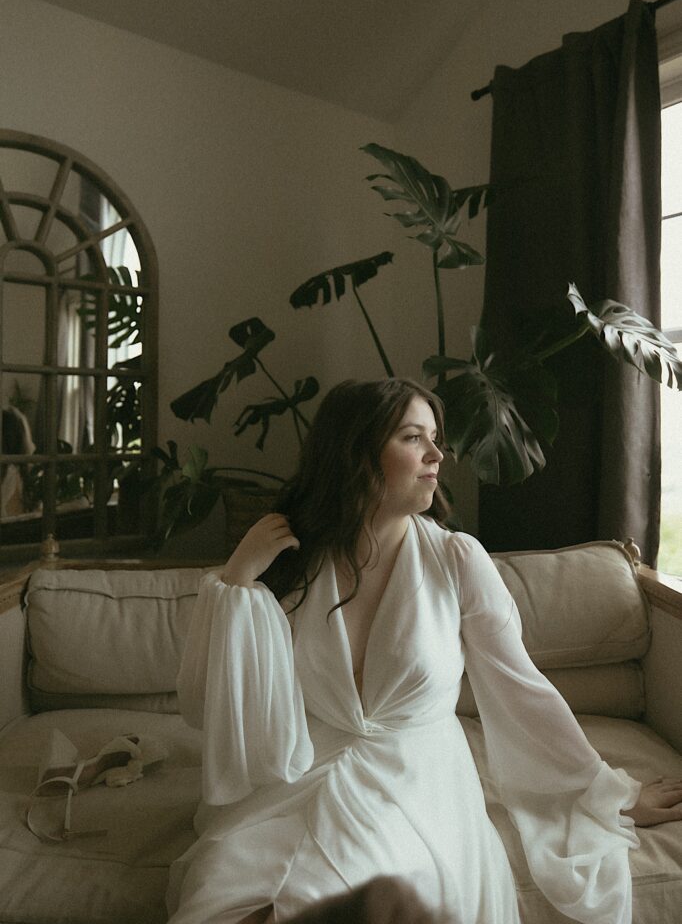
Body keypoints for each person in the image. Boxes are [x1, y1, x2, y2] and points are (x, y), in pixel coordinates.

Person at [167, 378, 682, 924]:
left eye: (435, 437)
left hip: (411, 779)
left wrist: (607, 793)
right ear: (357, 455)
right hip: (297, 776)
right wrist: (238, 579)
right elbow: (209, 705)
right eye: (414, 438)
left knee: (351, 893)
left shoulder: (455, 560)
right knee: (222, 893)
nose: (438, 454)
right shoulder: (291, 560)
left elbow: (521, 691)